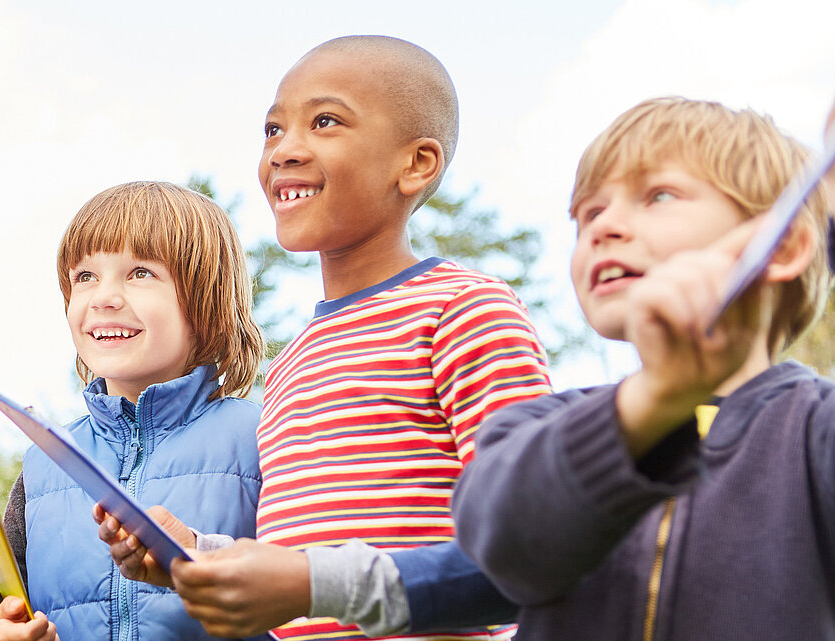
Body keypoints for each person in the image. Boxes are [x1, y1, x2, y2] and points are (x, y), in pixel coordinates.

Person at [97, 36, 552, 640]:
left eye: (325, 121)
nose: (285, 149)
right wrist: (194, 558)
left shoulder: (464, 310)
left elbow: (532, 554)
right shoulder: (290, 362)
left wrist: (309, 580)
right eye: (272, 129)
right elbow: (302, 561)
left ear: (415, 164)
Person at [452, 97, 835, 639]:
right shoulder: (537, 426)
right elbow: (505, 548)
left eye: (658, 195)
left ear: (782, 247)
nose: (603, 228)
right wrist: (653, 399)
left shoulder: (816, 427)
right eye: (588, 214)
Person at [0, 181, 266, 641]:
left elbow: (314, 600)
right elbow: (11, 612)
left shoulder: (266, 438)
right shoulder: (42, 464)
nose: (103, 297)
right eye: (85, 277)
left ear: (207, 300)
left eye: (139, 273)